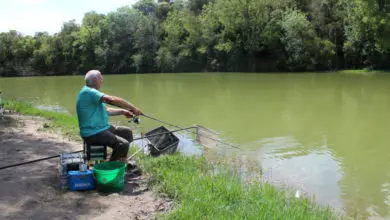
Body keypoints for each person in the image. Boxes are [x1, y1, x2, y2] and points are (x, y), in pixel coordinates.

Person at [76, 70, 142, 162]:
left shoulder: (91, 93)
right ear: (95, 79)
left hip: (101, 128)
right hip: (92, 132)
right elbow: (112, 99)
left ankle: (121, 161)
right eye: (100, 78)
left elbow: (106, 110)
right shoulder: (89, 92)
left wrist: (123, 111)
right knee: (123, 144)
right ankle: (108, 168)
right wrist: (133, 108)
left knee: (127, 132)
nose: (102, 80)